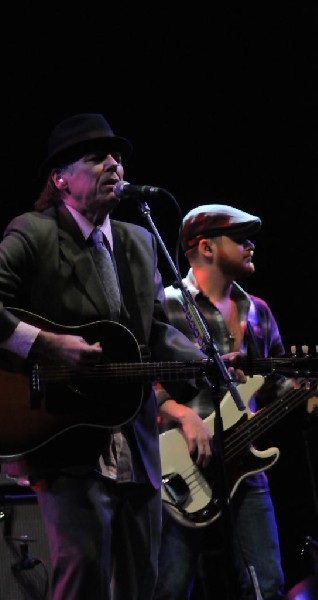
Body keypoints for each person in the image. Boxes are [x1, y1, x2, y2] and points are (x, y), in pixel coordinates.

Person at [0, 113, 209, 600]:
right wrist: (43, 343)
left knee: (140, 582)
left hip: (137, 441)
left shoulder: (139, 240)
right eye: (96, 156)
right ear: (60, 179)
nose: (114, 164)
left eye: (118, 156)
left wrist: (206, 358)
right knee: (82, 575)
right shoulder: (35, 233)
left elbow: (153, 332)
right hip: (66, 438)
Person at [153, 204, 286, 600]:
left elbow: (278, 385)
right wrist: (181, 415)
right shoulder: (167, 305)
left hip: (246, 464)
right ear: (207, 248)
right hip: (179, 468)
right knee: (171, 587)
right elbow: (143, 382)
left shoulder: (257, 311)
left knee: (267, 585)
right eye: (241, 239)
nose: (250, 247)